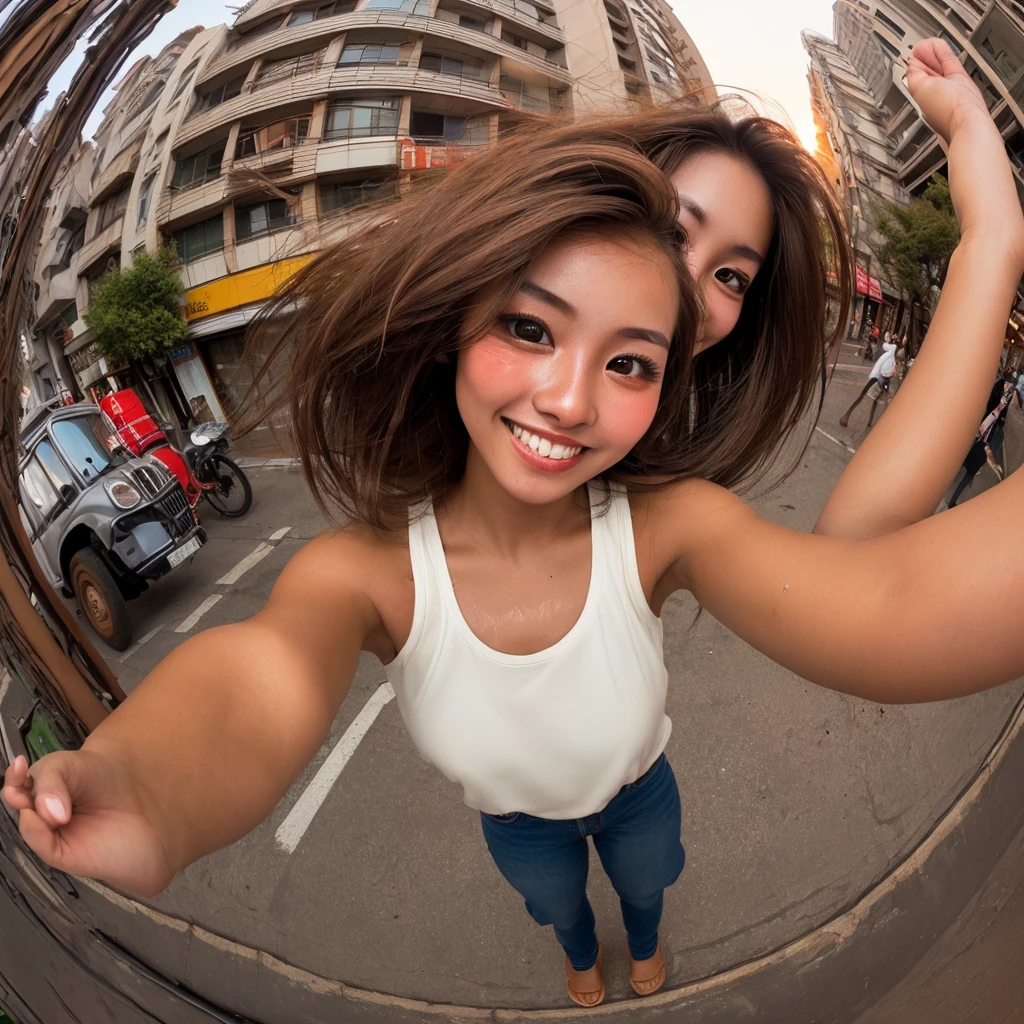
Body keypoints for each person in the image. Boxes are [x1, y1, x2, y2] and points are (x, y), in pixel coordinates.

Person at [6, 40, 1024, 1009]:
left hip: (637, 789)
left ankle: (640, 940)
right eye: (671, 228)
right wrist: (148, 782)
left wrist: (992, 230)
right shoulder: (367, 569)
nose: (570, 398)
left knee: (644, 882)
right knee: (557, 911)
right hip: (516, 825)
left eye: (727, 278)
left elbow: (877, 585)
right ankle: (580, 951)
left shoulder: (670, 519)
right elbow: (258, 680)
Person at [839, 337, 897, 429]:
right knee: (868, 398)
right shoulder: (890, 357)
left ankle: (857, 418)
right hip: (879, 380)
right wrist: (890, 374)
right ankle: (850, 417)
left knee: (869, 398)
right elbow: (885, 371)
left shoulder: (887, 355)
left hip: (877, 378)